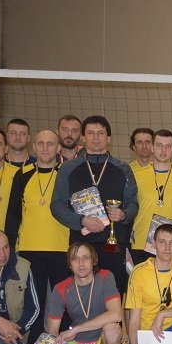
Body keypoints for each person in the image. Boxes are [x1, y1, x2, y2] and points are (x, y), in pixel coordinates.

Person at [51, 115, 139, 294]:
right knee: (81, 296)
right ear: (83, 137)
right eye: (90, 133)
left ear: (109, 138)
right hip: (81, 244)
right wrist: (82, 220)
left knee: (112, 295)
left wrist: (123, 214)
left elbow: (133, 204)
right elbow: (57, 205)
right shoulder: (68, 169)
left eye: (101, 133)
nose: (96, 137)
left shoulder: (123, 168)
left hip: (113, 245)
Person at [5, 129, 71, 343]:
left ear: (58, 148)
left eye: (50, 143)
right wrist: (9, 248)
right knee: (35, 304)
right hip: (29, 250)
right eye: (40, 143)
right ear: (33, 147)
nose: (45, 148)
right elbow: (13, 215)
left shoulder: (67, 174)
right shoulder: (22, 175)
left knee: (64, 302)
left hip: (61, 249)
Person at [40, 242, 123, 344]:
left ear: (94, 260)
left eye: (85, 258)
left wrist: (77, 329)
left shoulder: (105, 277)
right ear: (69, 264)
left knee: (113, 329)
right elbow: (51, 331)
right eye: (75, 259)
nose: (81, 263)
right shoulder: (60, 288)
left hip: (101, 343)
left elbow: (116, 314)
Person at [129, 129, 172, 265]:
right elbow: (129, 210)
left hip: (170, 246)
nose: (163, 150)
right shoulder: (136, 175)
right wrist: (126, 245)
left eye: (168, 146)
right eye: (159, 145)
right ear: (152, 148)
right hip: (140, 244)